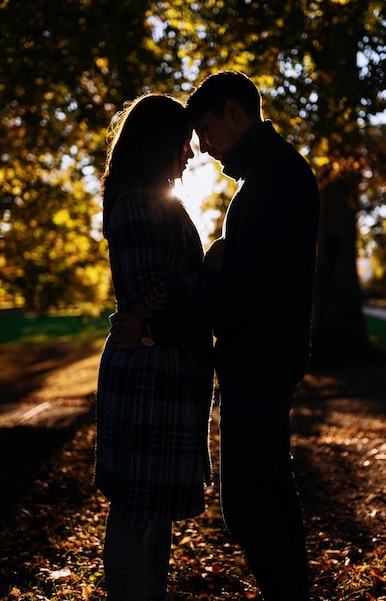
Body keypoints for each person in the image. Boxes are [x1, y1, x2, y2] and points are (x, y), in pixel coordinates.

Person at [110, 71, 320, 601]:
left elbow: (238, 292)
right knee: (267, 495)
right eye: (186, 141)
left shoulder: (272, 179)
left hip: (260, 363)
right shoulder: (268, 177)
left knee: (250, 506)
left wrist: (156, 327)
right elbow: (206, 285)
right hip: (257, 362)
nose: (199, 149)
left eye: (202, 130)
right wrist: (201, 280)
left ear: (233, 113)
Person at [94, 93, 218, 601]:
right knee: (137, 505)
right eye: (183, 143)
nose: (189, 154)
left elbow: (159, 300)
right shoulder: (139, 203)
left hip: (162, 374)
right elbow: (149, 296)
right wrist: (212, 277)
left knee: (155, 507)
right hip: (147, 378)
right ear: (159, 143)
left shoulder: (152, 200)